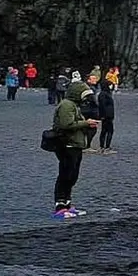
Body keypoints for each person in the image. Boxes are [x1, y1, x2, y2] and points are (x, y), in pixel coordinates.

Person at [50, 81, 98, 218]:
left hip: (75, 145)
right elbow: (66, 124)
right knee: (66, 175)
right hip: (67, 145)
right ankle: (60, 206)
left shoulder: (73, 105)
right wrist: (86, 123)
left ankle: (67, 204)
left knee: (72, 176)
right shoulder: (66, 105)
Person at [97, 82, 116, 154]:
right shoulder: (104, 94)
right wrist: (103, 116)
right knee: (108, 131)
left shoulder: (104, 94)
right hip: (107, 116)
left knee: (104, 131)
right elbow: (102, 106)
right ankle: (106, 147)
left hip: (107, 115)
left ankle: (102, 147)